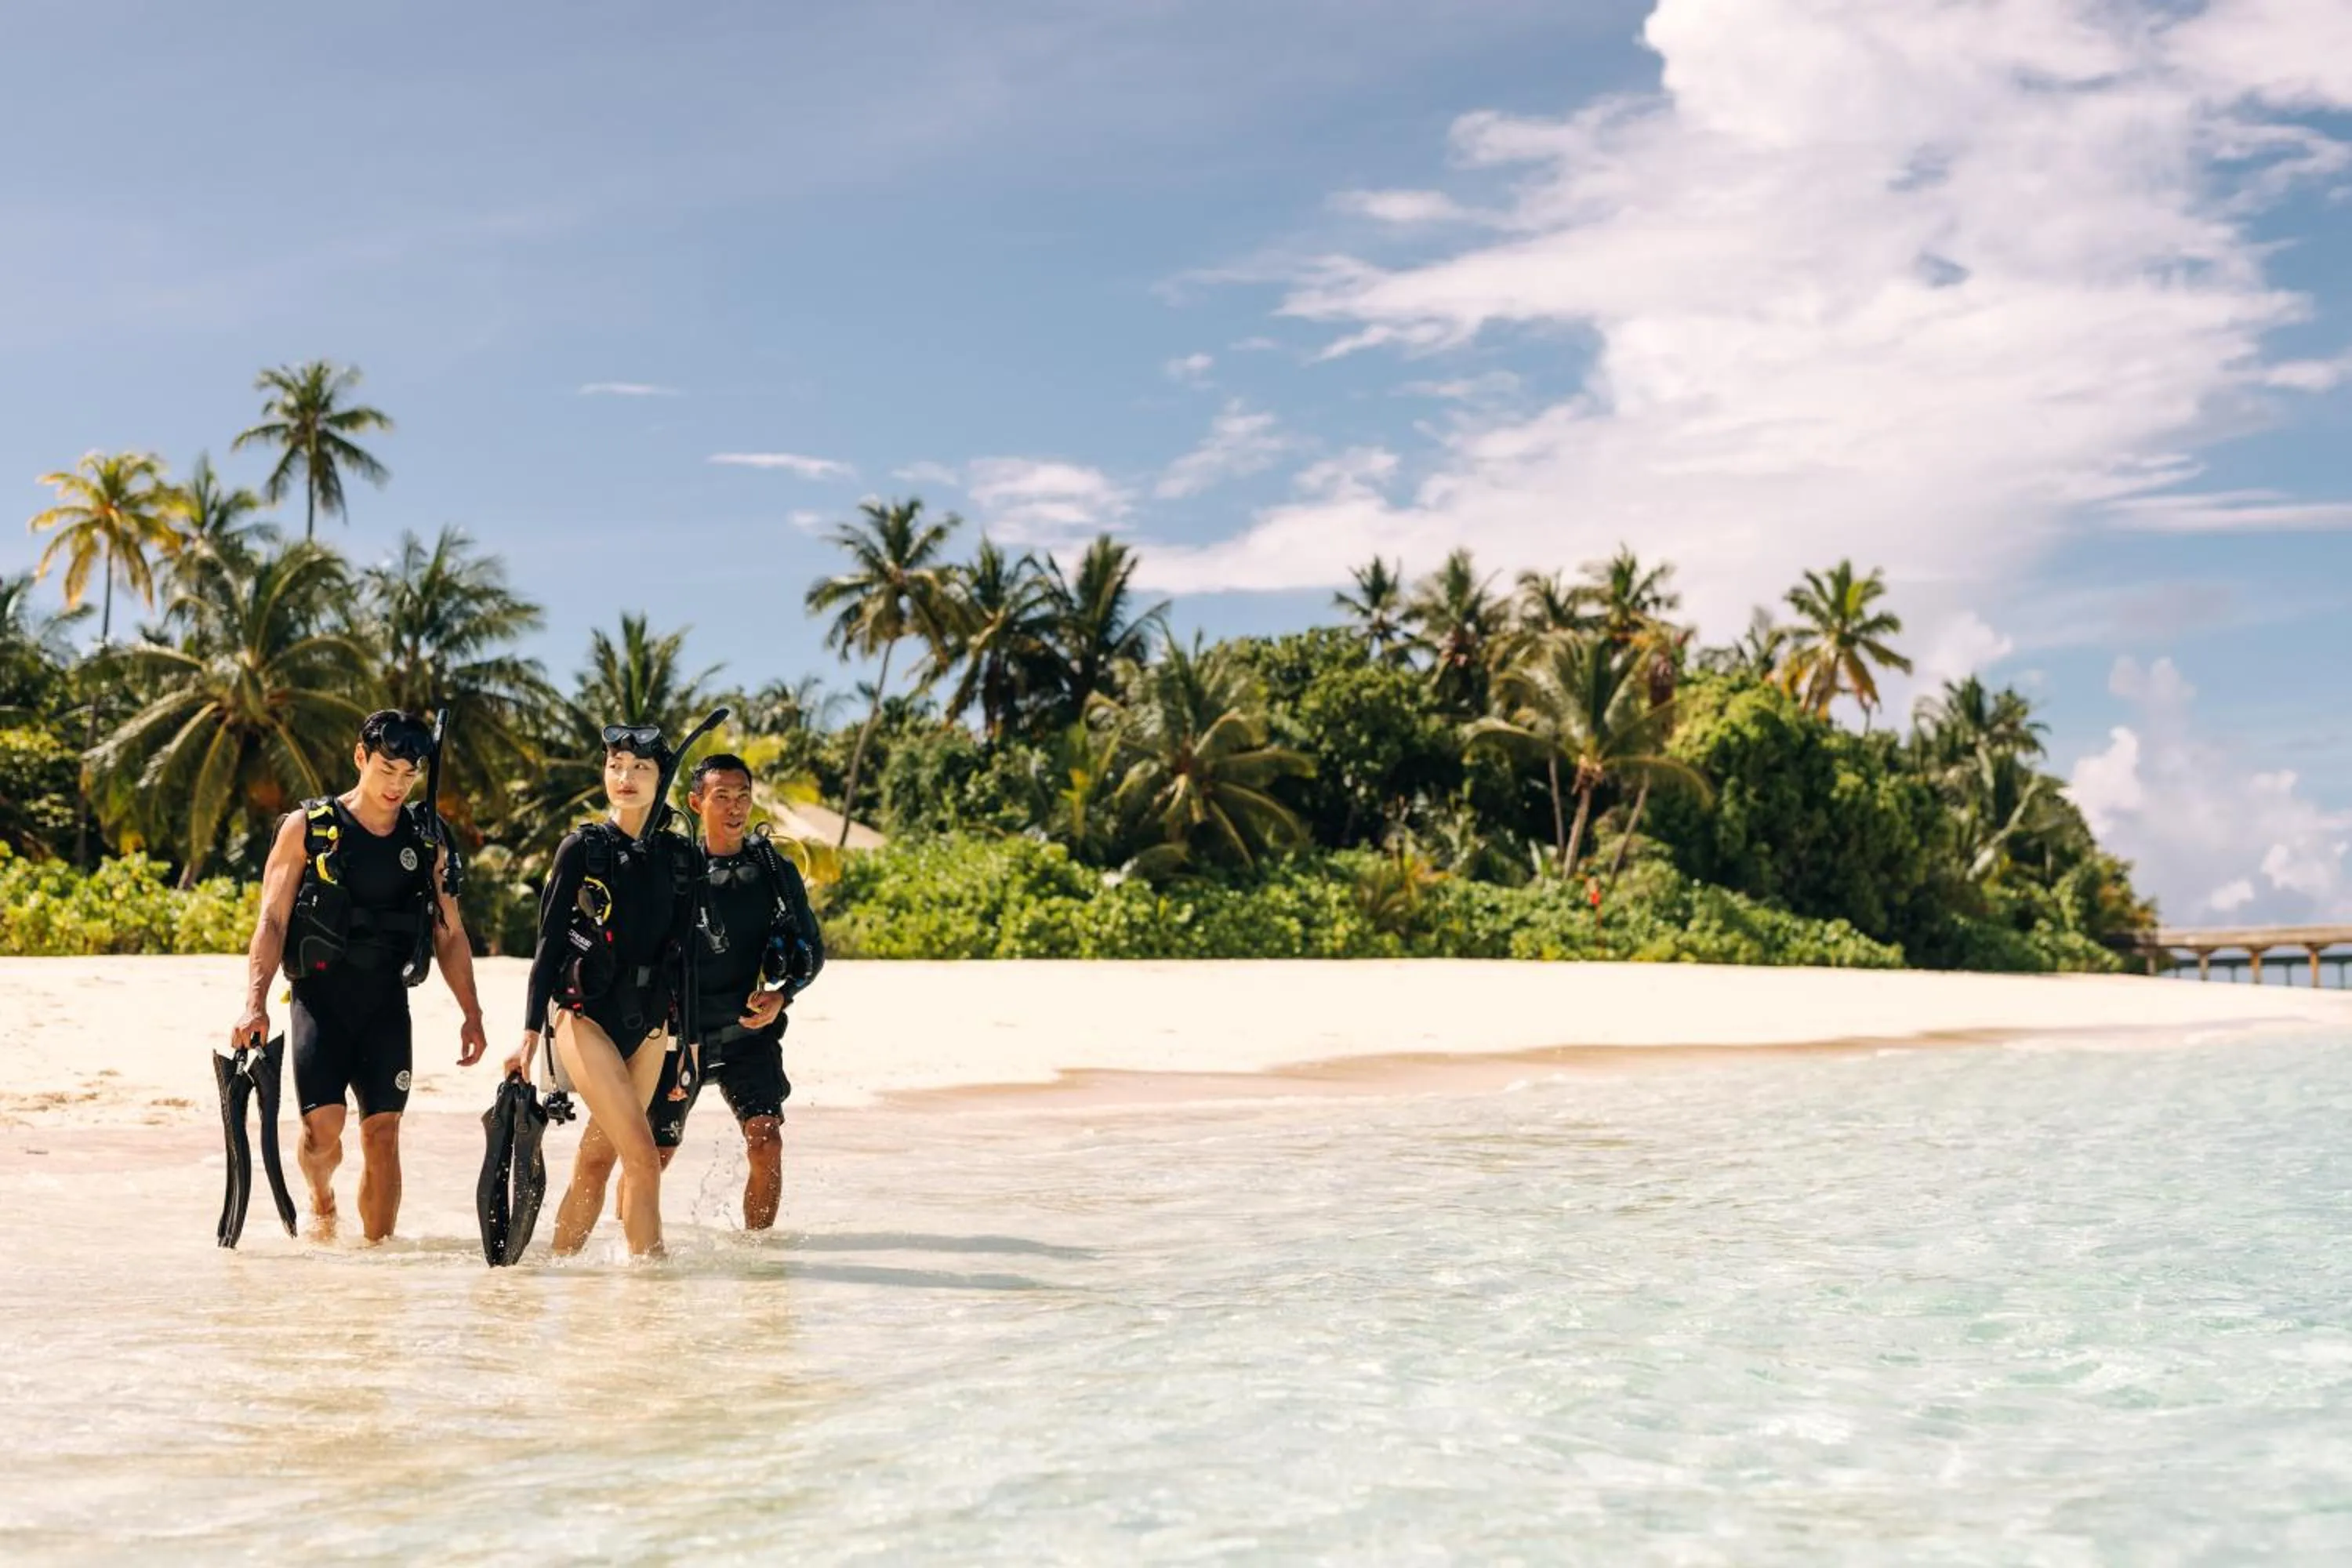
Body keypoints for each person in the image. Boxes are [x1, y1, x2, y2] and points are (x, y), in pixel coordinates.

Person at [231, 709, 489, 1242]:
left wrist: (472, 1012)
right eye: (386, 769)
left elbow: (449, 932)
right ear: (360, 758)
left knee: (383, 1134)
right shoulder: (309, 828)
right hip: (319, 1002)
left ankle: (378, 1262)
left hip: (385, 1005)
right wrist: (255, 1002)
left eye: (409, 774)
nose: (397, 785)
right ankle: (322, 1198)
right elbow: (273, 920)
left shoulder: (428, 838)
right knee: (321, 1134)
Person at [568, 753, 824, 1233]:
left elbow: (813, 951)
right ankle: (627, 1245)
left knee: (767, 1143)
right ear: (695, 802)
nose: (735, 807)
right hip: (680, 1033)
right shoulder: (676, 869)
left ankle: (760, 1261)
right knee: (654, 1156)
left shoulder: (773, 870)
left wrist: (783, 996)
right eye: (721, 796)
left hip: (748, 1031)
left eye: (743, 796)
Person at [506, 723, 699, 1258]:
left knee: (599, 1160)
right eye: (616, 766)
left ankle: (557, 1268)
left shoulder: (681, 858)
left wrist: (689, 1045)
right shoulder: (582, 849)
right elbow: (548, 946)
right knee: (643, 1156)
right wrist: (528, 1035)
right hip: (584, 1015)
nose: (625, 777)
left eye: (640, 768)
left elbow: (686, 955)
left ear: (661, 778)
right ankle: (652, 1285)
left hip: (651, 1025)